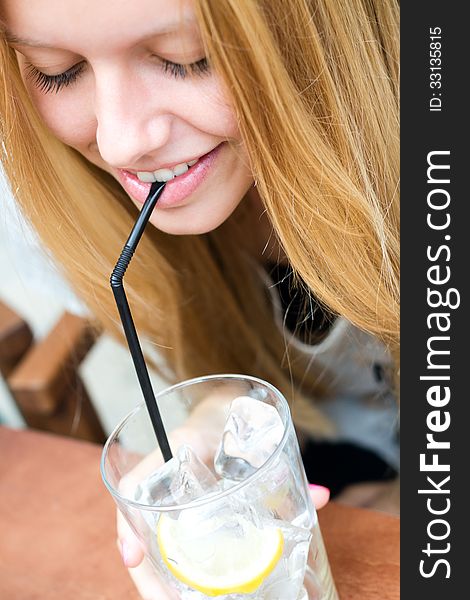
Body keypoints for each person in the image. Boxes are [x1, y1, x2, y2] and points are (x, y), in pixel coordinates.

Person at [0, 0, 399, 596]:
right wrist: (215, 417)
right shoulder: (78, 199)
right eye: (58, 70)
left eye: (186, 58)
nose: (119, 143)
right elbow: (243, 363)